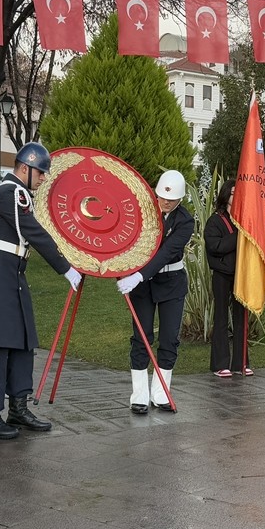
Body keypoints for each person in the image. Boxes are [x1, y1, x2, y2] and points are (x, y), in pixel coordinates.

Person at [0, 143, 81, 439]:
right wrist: (67, 268)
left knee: (24, 341)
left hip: (12, 276)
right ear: (25, 168)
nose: (43, 178)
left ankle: (18, 406)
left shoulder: (19, 194)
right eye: (40, 172)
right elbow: (34, 233)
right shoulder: (10, 193)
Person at [119, 169, 194, 413]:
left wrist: (138, 275)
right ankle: (139, 395)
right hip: (142, 285)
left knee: (169, 338)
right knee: (141, 337)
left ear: (180, 199)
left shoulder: (185, 221)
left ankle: (161, 393)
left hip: (171, 281)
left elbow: (166, 253)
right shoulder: (144, 212)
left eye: (171, 199)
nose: (165, 202)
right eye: (162, 197)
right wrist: (121, 268)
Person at [204, 179, 249, 377]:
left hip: (242, 274)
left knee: (242, 319)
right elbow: (216, 247)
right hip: (222, 274)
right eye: (232, 193)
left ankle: (241, 362)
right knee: (221, 318)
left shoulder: (246, 219)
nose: (235, 196)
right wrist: (239, 234)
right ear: (225, 195)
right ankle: (220, 364)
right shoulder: (215, 220)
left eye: (238, 193)